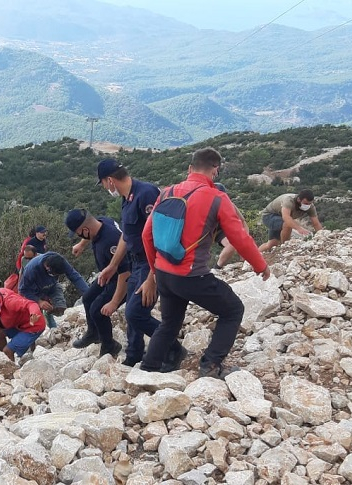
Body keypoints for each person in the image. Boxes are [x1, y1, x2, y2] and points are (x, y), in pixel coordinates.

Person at [140, 147, 271, 379]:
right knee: (233, 310)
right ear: (215, 171)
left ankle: (147, 370)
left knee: (169, 324)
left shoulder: (167, 192)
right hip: (192, 275)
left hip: (164, 273)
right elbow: (240, 238)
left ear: (190, 168)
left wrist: (155, 268)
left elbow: (146, 236)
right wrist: (260, 265)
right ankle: (210, 365)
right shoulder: (217, 198)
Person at [94, 158, 184, 368]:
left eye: (104, 184)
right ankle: (134, 354)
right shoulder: (127, 199)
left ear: (109, 181)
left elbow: (161, 235)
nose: (105, 188)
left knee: (136, 312)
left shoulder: (146, 194)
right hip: (135, 263)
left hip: (150, 263)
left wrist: (153, 276)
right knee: (132, 311)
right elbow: (127, 236)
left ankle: (173, 349)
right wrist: (113, 266)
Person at [65, 209, 127, 357]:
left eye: (79, 233)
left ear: (84, 229)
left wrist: (114, 301)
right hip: (107, 275)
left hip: (122, 280)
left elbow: (126, 272)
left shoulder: (111, 241)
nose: (79, 236)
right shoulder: (101, 222)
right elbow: (90, 230)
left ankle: (109, 345)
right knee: (87, 298)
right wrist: (81, 244)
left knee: (97, 310)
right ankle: (94, 333)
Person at [18, 252, 89, 328]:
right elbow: (23, 290)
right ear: (47, 267)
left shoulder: (60, 261)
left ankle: (58, 328)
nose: (54, 275)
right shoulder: (32, 269)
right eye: (53, 274)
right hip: (36, 291)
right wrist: (39, 301)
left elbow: (75, 277)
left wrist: (89, 293)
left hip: (53, 286)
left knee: (61, 310)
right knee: (37, 318)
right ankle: (49, 329)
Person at [0, 288, 45, 361]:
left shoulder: (9, 301)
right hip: (18, 325)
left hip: (33, 326)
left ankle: (11, 369)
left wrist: (33, 313)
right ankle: (3, 358)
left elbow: (31, 304)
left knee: (8, 350)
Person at [258, 189, 323, 252]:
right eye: (305, 203)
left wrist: (322, 236)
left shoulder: (310, 207)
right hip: (269, 216)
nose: (307, 205)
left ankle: (255, 254)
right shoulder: (289, 201)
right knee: (287, 224)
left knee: (271, 244)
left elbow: (316, 223)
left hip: (280, 219)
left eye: (310, 203)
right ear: (298, 199)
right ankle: (286, 247)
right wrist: (299, 228)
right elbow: (286, 217)